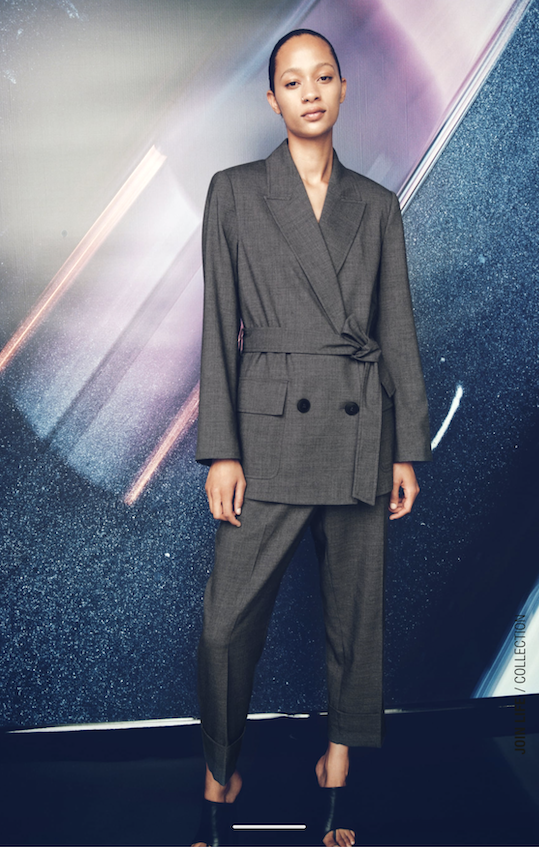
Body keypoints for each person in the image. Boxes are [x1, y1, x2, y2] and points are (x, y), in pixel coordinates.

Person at [192, 28, 431, 848]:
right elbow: (219, 325)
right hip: (265, 435)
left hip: (360, 428)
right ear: (272, 99)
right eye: (292, 81)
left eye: (322, 76)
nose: (309, 92)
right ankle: (220, 768)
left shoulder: (376, 204)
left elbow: (396, 331)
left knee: (354, 619)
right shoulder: (233, 191)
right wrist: (222, 448)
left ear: (341, 89)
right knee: (223, 626)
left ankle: (337, 765)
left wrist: (406, 448)